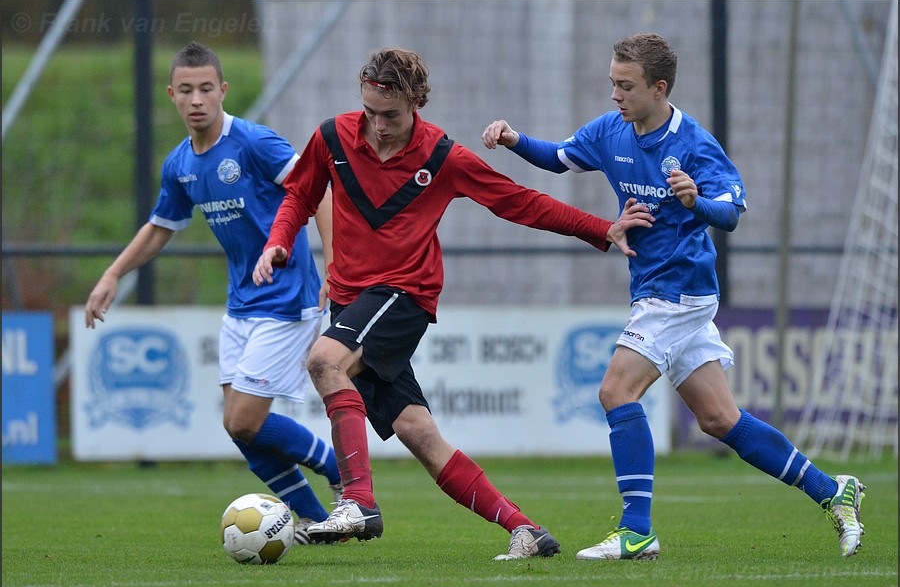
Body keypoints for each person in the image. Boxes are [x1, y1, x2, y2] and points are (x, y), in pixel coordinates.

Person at [252, 47, 655, 560]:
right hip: (354, 302)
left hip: (403, 293)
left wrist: (601, 228)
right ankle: (526, 530)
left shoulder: (443, 156)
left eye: (391, 116)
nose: (378, 126)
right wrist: (278, 241)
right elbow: (299, 196)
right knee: (417, 432)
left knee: (323, 360)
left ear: (416, 103)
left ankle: (356, 501)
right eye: (371, 113)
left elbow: (519, 202)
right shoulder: (332, 136)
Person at [481, 32, 866, 560]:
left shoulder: (694, 145)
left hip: (679, 291)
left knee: (616, 392)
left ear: (659, 88)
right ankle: (832, 490)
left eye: (626, 85)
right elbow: (560, 157)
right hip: (655, 292)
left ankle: (637, 531)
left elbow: (730, 212)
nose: (615, 95)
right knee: (719, 420)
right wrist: (513, 138)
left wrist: (696, 201)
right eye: (612, 83)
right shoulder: (611, 130)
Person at [84, 41, 343, 546]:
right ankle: (313, 519)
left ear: (222, 90)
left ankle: (339, 469)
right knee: (238, 428)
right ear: (172, 96)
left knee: (244, 418)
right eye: (186, 90)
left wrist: (335, 264)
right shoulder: (180, 163)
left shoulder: (253, 142)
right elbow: (161, 227)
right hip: (240, 303)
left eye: (206, 88)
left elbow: (319, 191)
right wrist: (113, 273)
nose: (197, 98)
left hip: (287, 297)